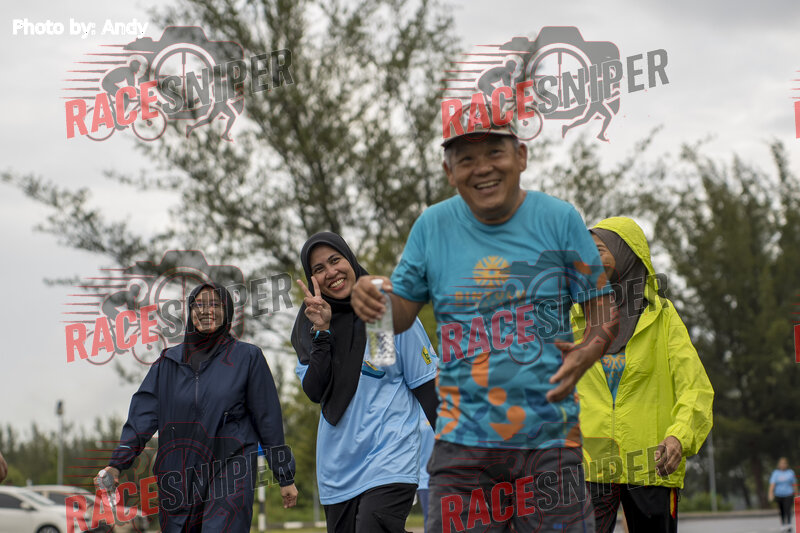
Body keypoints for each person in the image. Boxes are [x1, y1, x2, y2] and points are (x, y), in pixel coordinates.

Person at [351, 122, 619, 532]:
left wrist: (587, 351)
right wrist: (376, 301)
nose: (482, 168)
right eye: (466, 159)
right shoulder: (432, 227)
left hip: (549, 437)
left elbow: (601, 304)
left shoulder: (560, 219)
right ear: (449, 171)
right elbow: (401, 311)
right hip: (462, 443)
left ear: (521, 157)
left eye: (495, 152)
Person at [97, 282, 298, 532]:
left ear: (227, 312)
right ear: (190, 312)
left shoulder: (247, 358)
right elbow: (141, 419)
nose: (206, 311)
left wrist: (284, 475)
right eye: (198, 305)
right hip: (177, 477)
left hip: (231, 470)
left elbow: (268, 420)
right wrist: (117, 463)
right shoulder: (167, 363)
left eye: (215, 304)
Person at [574, 217, 714, 533]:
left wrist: (679, 436)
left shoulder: (663, 318)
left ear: (626, 254)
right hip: (588, 469)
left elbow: (696, 389)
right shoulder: (574, 318)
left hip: (652, 466)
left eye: (598, 250)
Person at [291, 231, 438, 533]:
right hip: (337, 470)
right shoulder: (309, 326)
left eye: (335, 260)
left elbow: (427, 387)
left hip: (390, 456)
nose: (331, 272)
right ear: (312, 279)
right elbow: (316, 391)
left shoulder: (384, 311)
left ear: (350, 260)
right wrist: (323, 332)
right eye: (319, 268)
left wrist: (461, 454)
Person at [769, 457, 797, 531]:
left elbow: (794, 484)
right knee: (782, 510)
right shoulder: (776, 473)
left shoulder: (790, 472)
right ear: (779, 464)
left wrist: (796, 494)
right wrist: (771, 493)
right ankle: (783, 524)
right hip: (779, 494)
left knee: (788, 509)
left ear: (787, 464)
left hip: (789, 494)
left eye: (784, 463)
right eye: (781, 463)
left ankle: (789, 524)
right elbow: (772, 484)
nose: (783, 465)